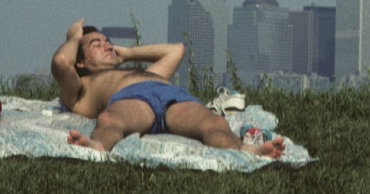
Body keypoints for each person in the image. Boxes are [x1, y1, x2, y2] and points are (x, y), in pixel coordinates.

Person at [51, 20, 285, 159]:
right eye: (97, 44)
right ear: (80, 61)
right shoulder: (81, 86)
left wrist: (128, 54)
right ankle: (98, 147)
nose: (108, 47)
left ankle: (246, 151)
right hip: (131, 100)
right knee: (110, 120)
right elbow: (61, 62)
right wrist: (74, 37)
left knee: (215, 123)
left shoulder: (139, 71)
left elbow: (176, 50)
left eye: (108, 42)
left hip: (172, 96)